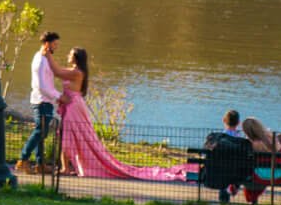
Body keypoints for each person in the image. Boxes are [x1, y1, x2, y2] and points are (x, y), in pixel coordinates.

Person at [54, 47, 189, 182]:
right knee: (67, 136)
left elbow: (57, 72)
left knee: (68, 137)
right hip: (70, 105)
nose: (68, 55)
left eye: (70, 54)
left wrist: (46, 54)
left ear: (76, 58)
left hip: (74, 107)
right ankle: (66, 167)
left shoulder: (77, 73)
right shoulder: (73, 71)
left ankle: (67, 168)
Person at [18, 29, 62, 171]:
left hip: (45, 101)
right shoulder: (41, 61)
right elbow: (42, 86)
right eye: (55, 44)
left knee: (41, 133)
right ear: (46, 43)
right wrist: (59, 96)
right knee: (39, 132)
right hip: (42, 101)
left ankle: (40, 164)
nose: (57, 47)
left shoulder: (43, 58)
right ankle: (23, 159)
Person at [199, 110, 256, 205]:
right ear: (238, 123)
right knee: (235, 169)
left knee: (224, 171)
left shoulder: (215, 139)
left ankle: (224, 201)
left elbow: (204, 154)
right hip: (236, 174)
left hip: (218, 172)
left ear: (224, 120)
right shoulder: (242, 141)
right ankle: (233, 188)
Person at [240, 116, 281, 205]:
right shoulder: (273, 138)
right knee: (260, 174)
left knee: (250, 174)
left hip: (262, 176)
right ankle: (252, 199)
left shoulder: (251, 144)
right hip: (280, 175)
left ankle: (251, 199)